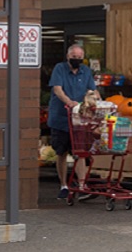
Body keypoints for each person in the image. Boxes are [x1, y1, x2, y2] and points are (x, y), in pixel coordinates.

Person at [47, 43, 97, 200]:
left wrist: (96, 101)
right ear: (68, 56)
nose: (77, 59)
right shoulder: (60, 69)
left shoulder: (86, 71)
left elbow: (92, 90)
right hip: (61, 117)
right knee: (61, 152)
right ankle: (63, 185)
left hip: (79, 118)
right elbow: (57, 89)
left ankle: (82, 185)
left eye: (79, 57)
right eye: (74, 57)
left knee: (80, 152)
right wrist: (69, 102)